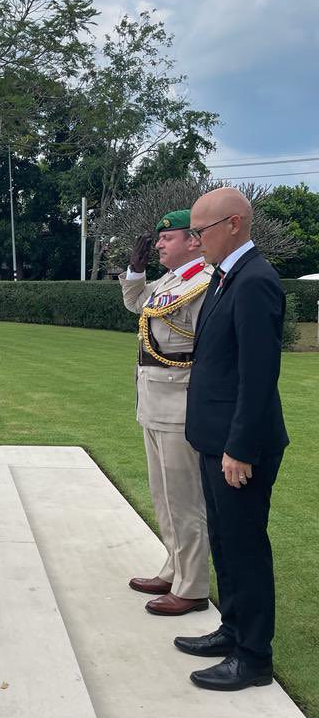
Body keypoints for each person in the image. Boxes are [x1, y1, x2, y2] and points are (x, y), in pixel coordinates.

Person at [176, 186, 289, 691]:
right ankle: (233, 628)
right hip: (214, 439)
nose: (196, 240)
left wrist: (239, 448)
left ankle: (253, 657)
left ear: (235, 224)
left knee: (244, 546)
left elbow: (258, 375)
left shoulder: (254, 281)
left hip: (238, 447)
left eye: (201, 231)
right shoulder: (227, 278)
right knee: (224, 539)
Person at [120, 210, 213, 615]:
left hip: (181, 402)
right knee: (162, 495)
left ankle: (193, 587)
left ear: (194, 240)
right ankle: (173, 568)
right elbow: (138, 304)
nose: (158, 244)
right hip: (154, 399)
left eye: (167, 238)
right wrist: (134, 271)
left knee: (184, 499)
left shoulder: (205, 283)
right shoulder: (171, 282)